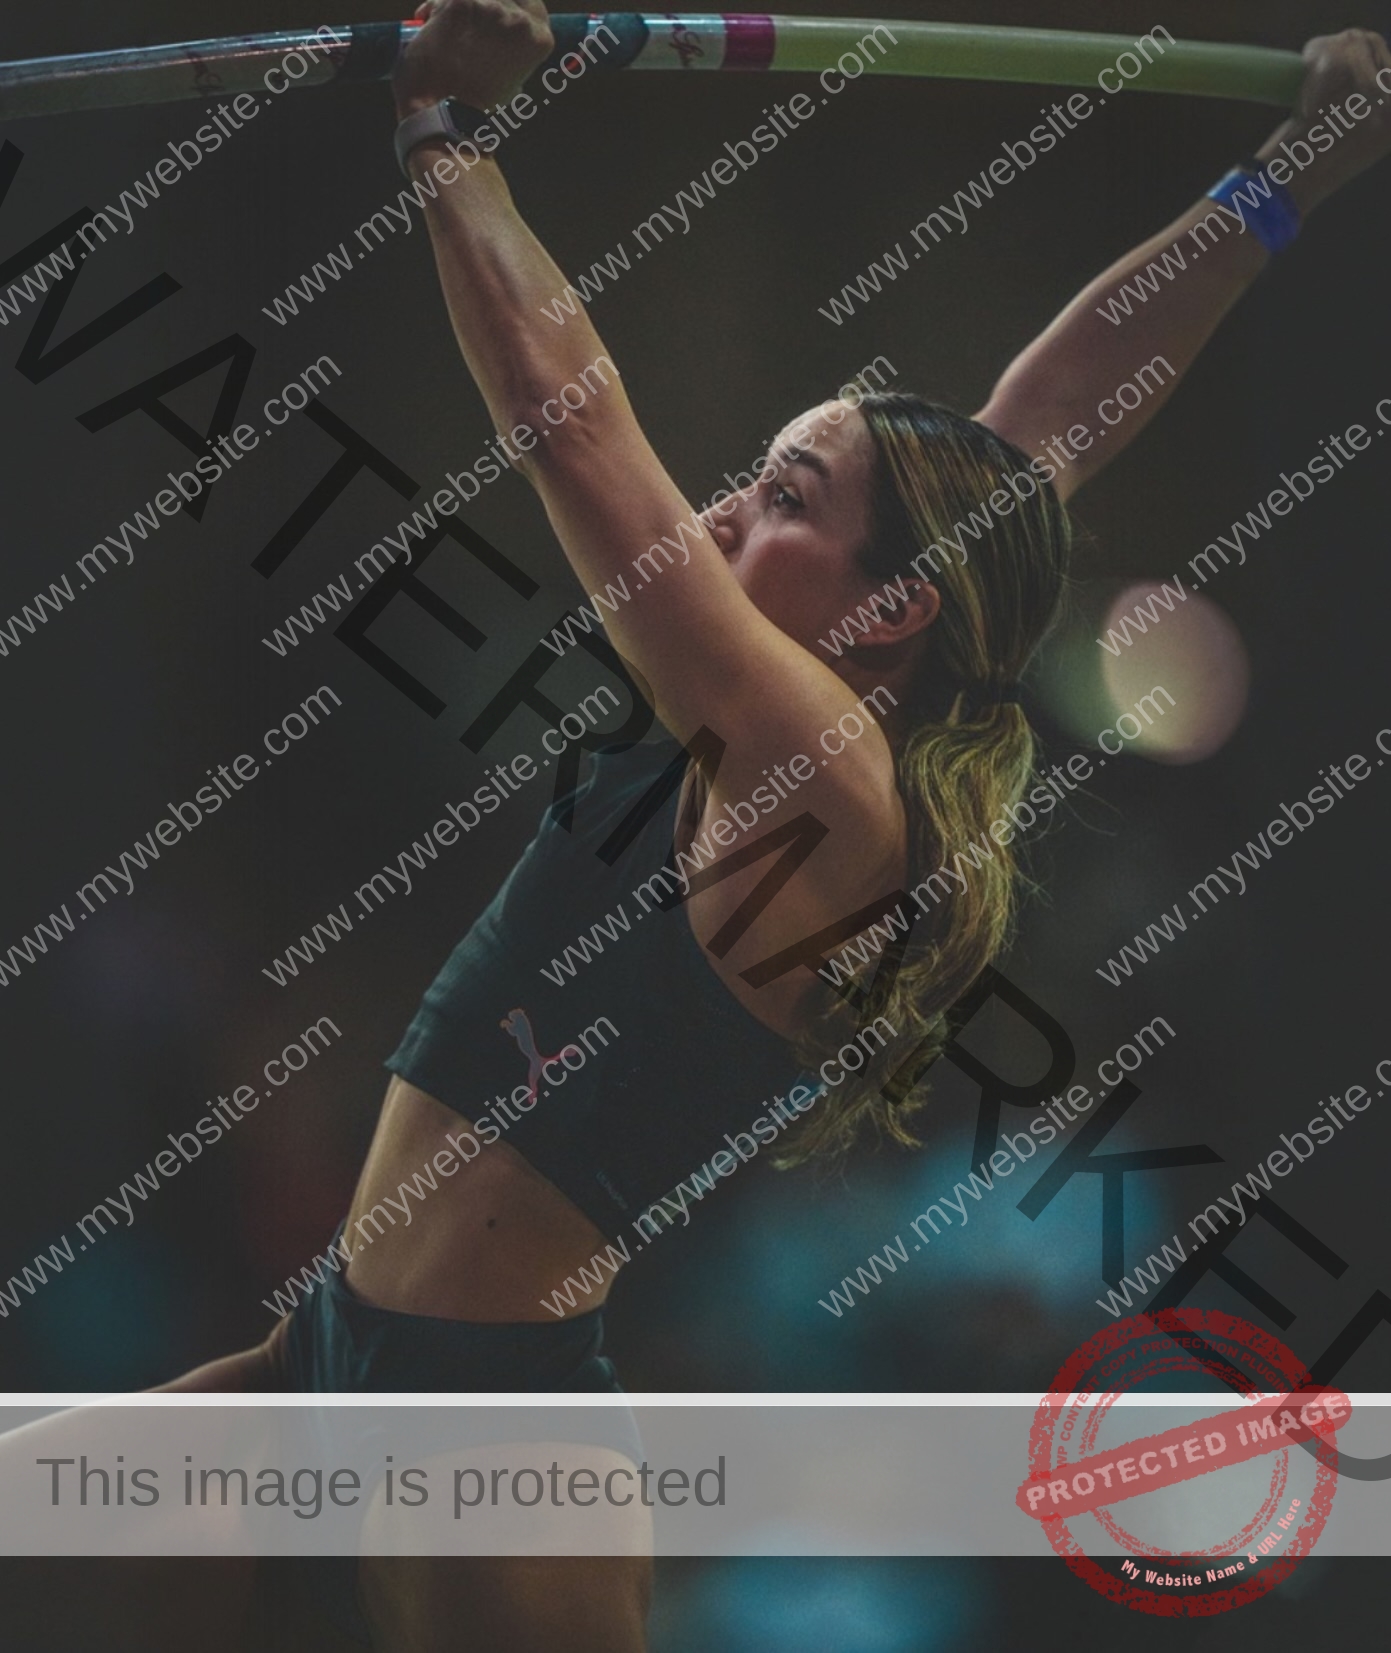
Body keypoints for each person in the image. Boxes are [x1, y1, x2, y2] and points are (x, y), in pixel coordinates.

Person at [9, 7, 1390, 1651]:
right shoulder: (827, 688)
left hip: (492, 1439)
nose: (730, 508)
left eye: (787, 498)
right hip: (314, 1362)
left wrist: (447, 136)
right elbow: (1064, 396)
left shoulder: (820, 770)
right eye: (756, 472)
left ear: (890, 607)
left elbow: (571, 425)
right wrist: (1290, 175)